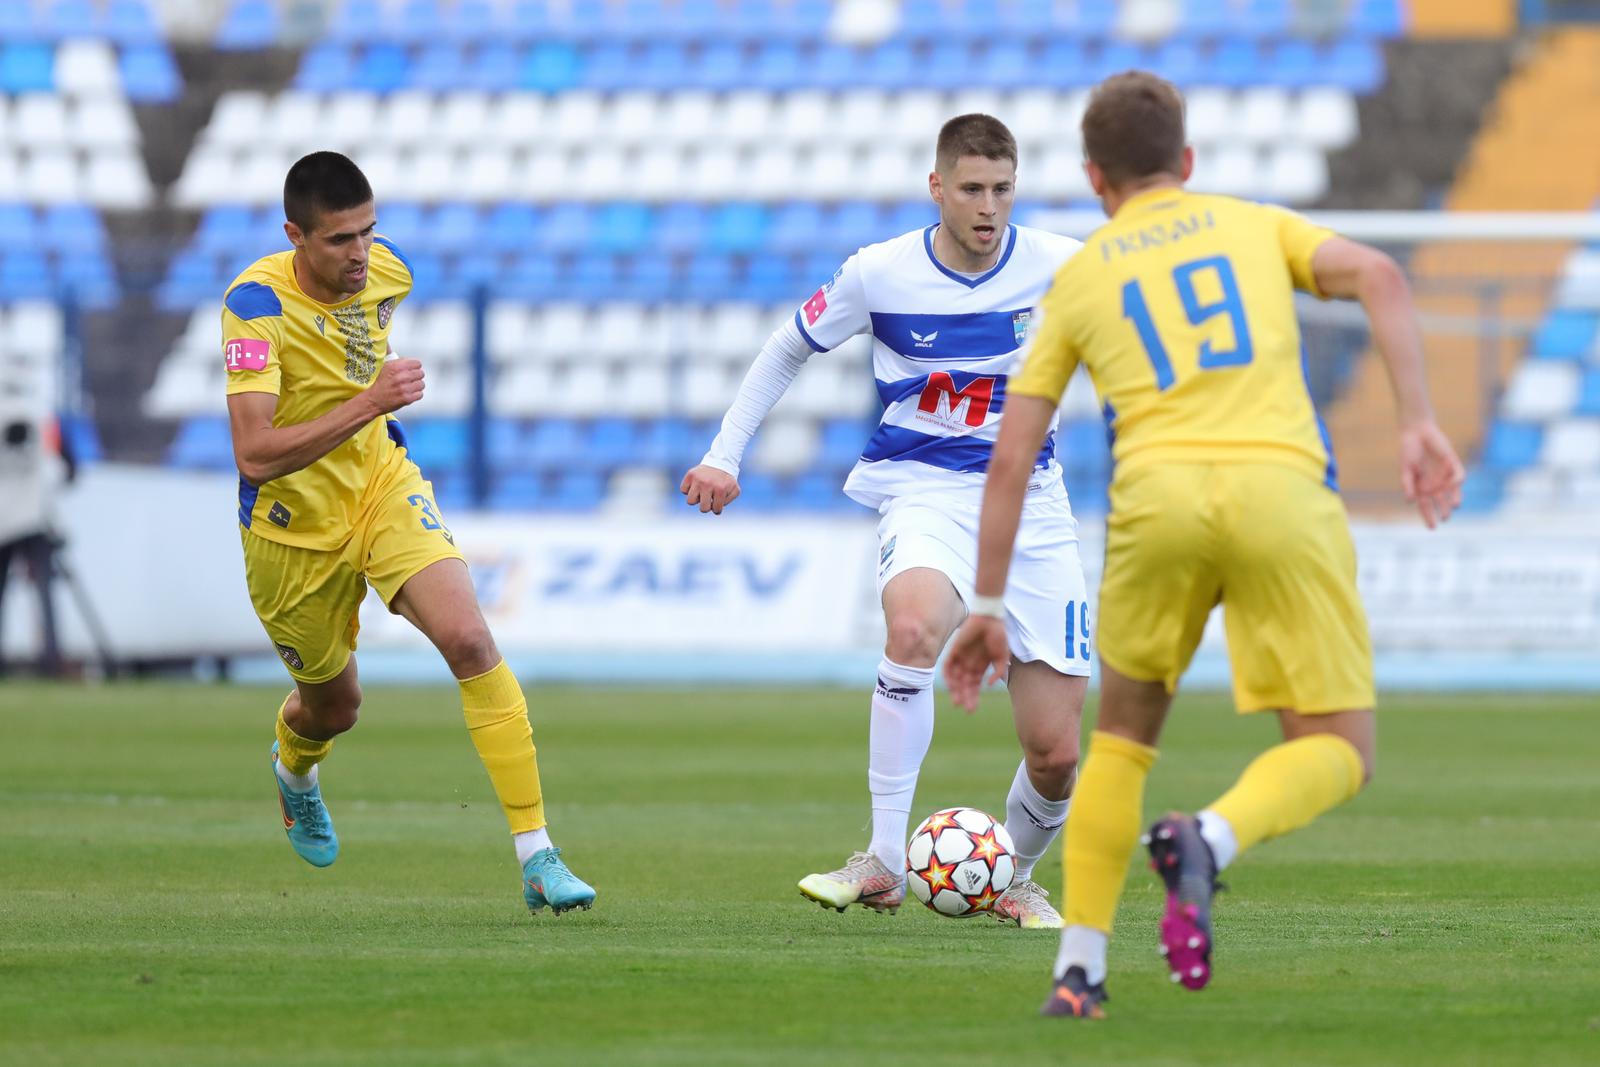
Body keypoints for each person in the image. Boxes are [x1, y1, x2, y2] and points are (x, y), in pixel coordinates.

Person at [946, 71, 1464, 1016]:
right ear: (1186, 161)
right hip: (1281, 495)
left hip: (1160, 506)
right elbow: (1382, 277)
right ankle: (1210, 840)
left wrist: (985, 607)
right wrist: (1419, 423)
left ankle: (1080, 971)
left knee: (1122, 742)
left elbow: (1012, 453)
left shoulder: (1084, 275)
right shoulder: (1253, 224)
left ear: (1096, 178)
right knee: (1340, 746)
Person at [681, 116, 1090, 929]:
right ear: (936, 187)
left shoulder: (1065, 268)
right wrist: (725, 453)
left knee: (1056, 751)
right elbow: (786, 347)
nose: (988, 207)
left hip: (1035, 510)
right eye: (971, 189)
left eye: (1002, 189)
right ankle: (884, 858)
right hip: (924, 490)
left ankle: (1012, 874)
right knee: (910, 630)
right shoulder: (879, 273)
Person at [223, 151, 594, 914]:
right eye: (337, 239)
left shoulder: (391, 273)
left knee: (470, 641)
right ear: (295, 234)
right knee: (335, 707)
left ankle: (538, 853)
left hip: (382, 488)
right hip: (290, 532)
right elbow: (253, 453)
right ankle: (295, 768)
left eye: (367, 232)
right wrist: (370, 400)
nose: (359, 253)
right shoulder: (254, 306)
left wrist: (371, 417)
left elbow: (365, 334)